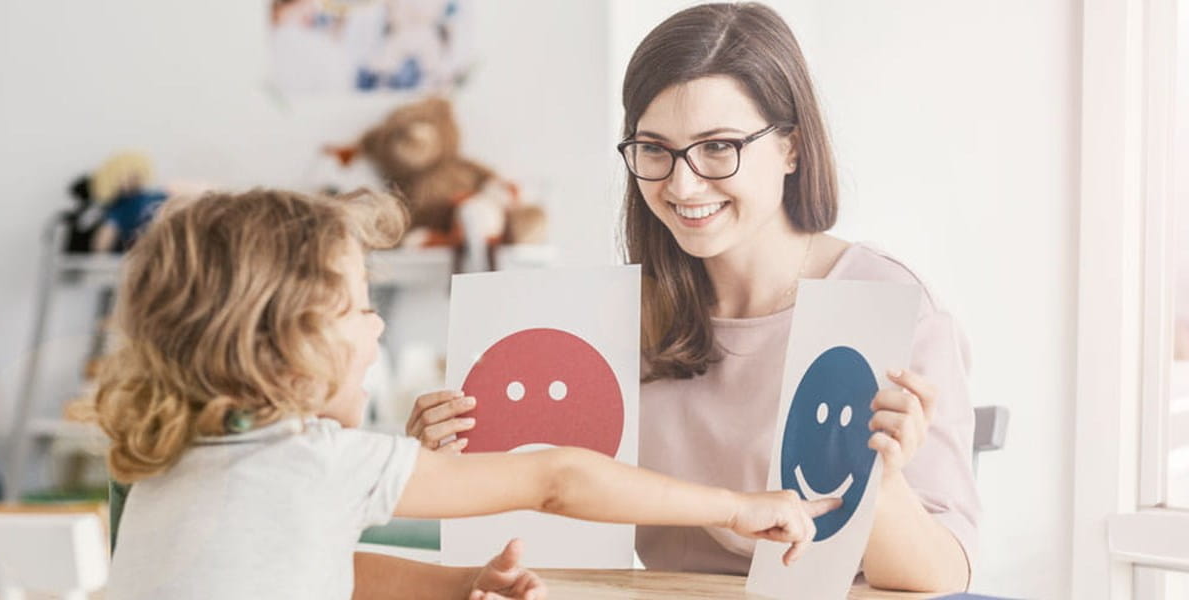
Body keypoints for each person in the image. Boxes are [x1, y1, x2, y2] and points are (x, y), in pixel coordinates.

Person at [407, 3, 980, 592]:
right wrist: (446, 462)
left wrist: (879, 482)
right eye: (654, 149)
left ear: (791, 147)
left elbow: (943, 576)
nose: (682, 185)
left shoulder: (884, 304)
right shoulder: (613, 321)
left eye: (718, 147)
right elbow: (547, 516)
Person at [98, 188, 838, 599]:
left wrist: (463, 585)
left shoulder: (165, 466)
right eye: (358, 306)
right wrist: (740, 506)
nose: (378, 323)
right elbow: (557, 476)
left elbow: (320, 567)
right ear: (284, 345)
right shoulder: (316, 460)